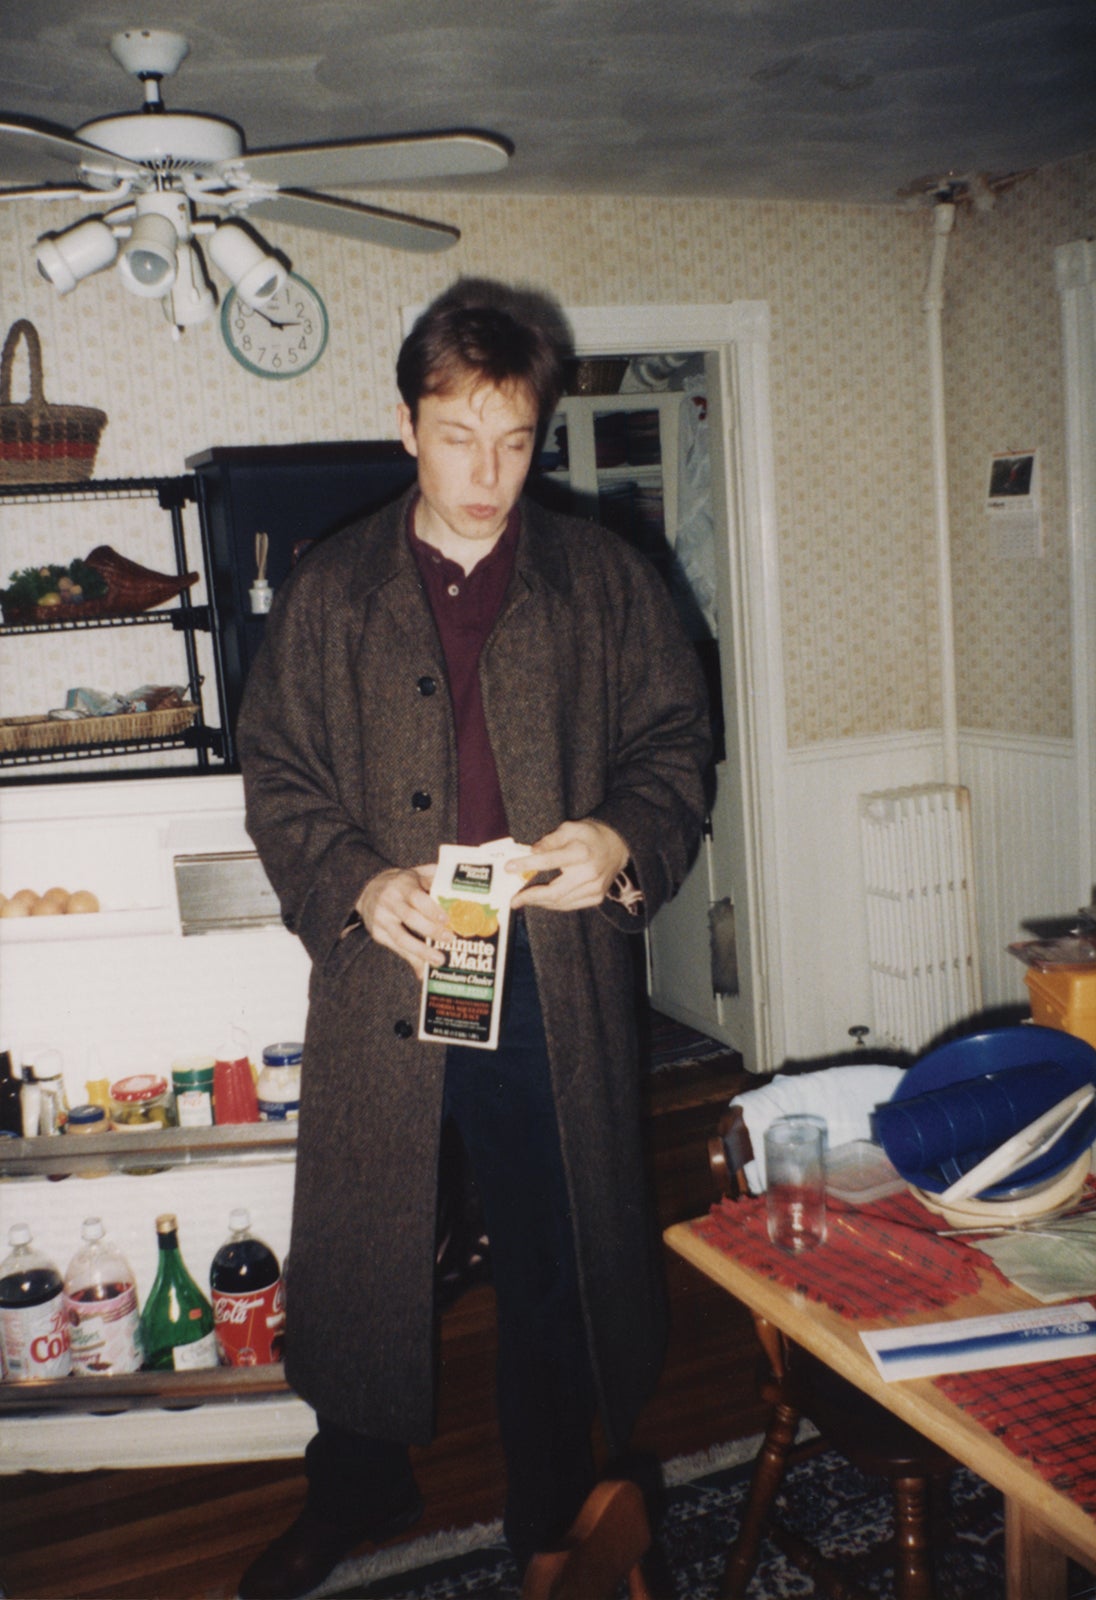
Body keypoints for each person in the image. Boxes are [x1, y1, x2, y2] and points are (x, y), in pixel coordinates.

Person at [235, 277, 710, 1599]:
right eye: (458, 437)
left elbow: (676, 742)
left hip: (548, 972)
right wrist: (351, 881)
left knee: (554, 1251)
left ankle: (550, 1513)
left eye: (514, 440)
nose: (489, 473)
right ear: (408, 427)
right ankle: (357, 1483)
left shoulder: (604, 578)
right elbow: (276, 771)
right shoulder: (330, 589)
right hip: (390, 963)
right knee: (368, 1243)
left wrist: (620, 837)